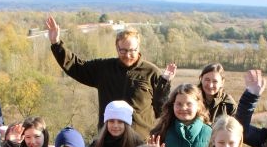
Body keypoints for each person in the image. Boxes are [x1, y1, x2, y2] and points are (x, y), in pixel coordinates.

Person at [45, 15, 175, 137]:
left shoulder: (151, 72)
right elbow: (76, 67)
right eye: (123, 50)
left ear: (138, 48)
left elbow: (161, 109)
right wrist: (56, 44)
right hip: (108, 141)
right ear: (117, 48)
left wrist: (165, 82)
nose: (128, 54)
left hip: (139, 142)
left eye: (132, 50)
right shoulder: (104, 68)